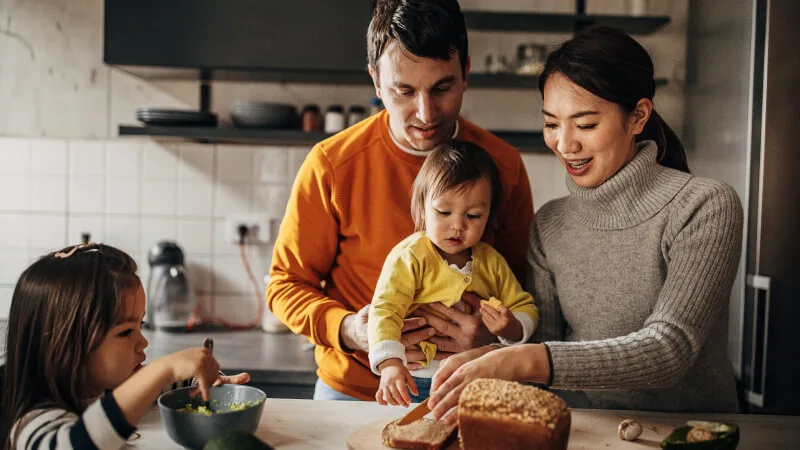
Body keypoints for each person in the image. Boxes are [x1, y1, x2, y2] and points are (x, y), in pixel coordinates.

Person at [427, 26, 744, 423]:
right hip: (583, 432)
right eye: (551, 124)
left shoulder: (704, 205)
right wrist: (494, 356)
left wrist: (522, 359)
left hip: (687, 433)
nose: (564, 144)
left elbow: (669, 350)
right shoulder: (550, 223)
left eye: (586, 124)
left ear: (638, 116)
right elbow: (548, 347)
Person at [267, 0, 534, 401]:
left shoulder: (504, 165)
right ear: (376, 81)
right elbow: (285, 286)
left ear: (466, 74)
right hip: (354, 391)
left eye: (442, 87)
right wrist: (350, 330)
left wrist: (494, 335)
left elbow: (524, 287)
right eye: (403, 90)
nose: (426, 113)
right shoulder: (331, 164)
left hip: (469, 389)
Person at [0, 244, 250, 449]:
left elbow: (151, 388)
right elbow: (75, 444)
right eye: (126, 331)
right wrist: (163, 368)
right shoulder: (32, 421)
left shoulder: (95, 385)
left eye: (140, 325)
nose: (142, 342)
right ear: (66, 342)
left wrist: (199, 383)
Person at [369, 140, 538, 406]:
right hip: (415, 380)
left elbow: (524, 305)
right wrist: (390, 364)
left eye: (473, 215)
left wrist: (512, 327)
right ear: (423, 207)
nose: (457, 225)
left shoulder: (491, 261)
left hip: (474, 379)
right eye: (444, 212)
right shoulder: (410, 256)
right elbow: (385, 309)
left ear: (489, 215)